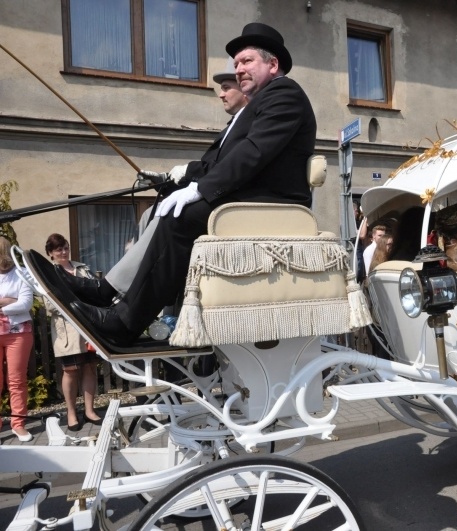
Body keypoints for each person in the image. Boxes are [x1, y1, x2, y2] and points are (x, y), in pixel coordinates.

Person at [67, 23, 317, 347]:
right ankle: (110, 294)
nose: (238, 69)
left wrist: (200, 189)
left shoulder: (285, 94)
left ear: (272, 64)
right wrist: (181, 177)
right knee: (166, 207)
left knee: (182, 216)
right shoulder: (255, 105)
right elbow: (219, 161)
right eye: (236, 63)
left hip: (273, 203)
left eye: (247, 61)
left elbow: (254, 153)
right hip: (251, 196)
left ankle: (124, 321)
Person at [61, 58, 249, 307]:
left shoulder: (249, 123)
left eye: (226, 87)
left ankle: (108, 289)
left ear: (244, 89)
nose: (221, 95)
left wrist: (186, 174)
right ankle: (128, 290)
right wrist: (167, 178)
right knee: (150, 213)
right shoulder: (232, 125)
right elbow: (209, 167)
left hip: (230, 205)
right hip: (217, 196)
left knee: (166, 214)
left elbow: (224, 168)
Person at [45, 234, 103, 431]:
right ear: (50, 253)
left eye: (65, 248)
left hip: (88, 327)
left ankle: (89, 410)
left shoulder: (82, 269)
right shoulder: (48, 273)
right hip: (67, 330)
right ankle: (71, 412)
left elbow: (95, 293)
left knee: (89, 368)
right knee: (70, 371)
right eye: (58, 249)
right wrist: (76, 300)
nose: (63, 252)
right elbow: (49, 305)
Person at [0, 237, 34, 442]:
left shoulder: (22, 273)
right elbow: (18, 302)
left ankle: (18, 423)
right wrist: (10, 301)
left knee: (16, 381)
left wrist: (2, 306)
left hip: (18, 333)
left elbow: (26, 303)